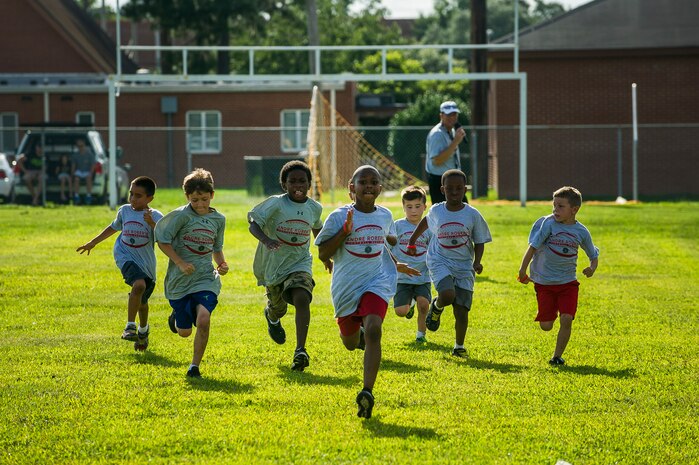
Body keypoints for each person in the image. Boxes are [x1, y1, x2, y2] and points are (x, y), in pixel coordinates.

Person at [315, 165, 419, 419]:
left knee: (374, 329)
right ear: (352, 188)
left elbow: (385, 240)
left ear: (380, 188)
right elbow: (323, 254)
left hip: (376, 281)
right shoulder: (339, 217)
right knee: (350, 344)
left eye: (374, 182)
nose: (369, 186)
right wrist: (344, 232)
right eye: (363, 182)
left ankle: (367, 392)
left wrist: (396, 263)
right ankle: (354, 333)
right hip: (346, 287)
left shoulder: (384, 216)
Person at [248, 160, 327, 372]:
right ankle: (272, 317)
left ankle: (300, 350)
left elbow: (317, 230)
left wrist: (325, 256)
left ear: (310, 184)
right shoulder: (276, 203)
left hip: (300, 262)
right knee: (279, 310)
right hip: (274, 265)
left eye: (302, 181)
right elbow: (253, 224)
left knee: (302, 297)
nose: (298, 185)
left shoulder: (314, 208)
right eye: (292, 181)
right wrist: (266, 240)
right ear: (284, 184)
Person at [407, 169, 491, 358]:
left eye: (459, 188)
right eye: (450, 188)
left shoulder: (472, 214)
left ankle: (458, 346)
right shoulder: (437, 210)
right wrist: (412, 241)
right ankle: (437, 306)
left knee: (461, 310)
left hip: (464, 265)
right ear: (442, 189)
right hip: (439, 259)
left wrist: (477, 262)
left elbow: (479, 240)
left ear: (465, 189)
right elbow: (426, 222)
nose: (454, 192)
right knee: (447, 294)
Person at [155, 168, 228, 378]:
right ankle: (177, 316)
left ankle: (194, 367)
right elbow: (163, 241)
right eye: (195, 200)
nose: (200, 205)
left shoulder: (219, 219)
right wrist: (179, 262)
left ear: (212, 195)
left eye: (204, 199)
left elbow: (216, 247)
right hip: (180, 280)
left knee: (204, 319)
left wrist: (222, 264)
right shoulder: (180, 216)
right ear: (187, 196)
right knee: (184, 332)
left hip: (206, 277)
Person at [76, 176, 163, 351]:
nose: (132, 199)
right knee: (138, 285)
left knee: (143, 302)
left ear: (149, 199)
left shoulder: (156, 216)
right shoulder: (124, 211)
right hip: (125, 256)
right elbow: (113, 227)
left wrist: (152, 224)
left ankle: (143, 331)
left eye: (138, 196)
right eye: (131, 194)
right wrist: (93, 242)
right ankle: (130, 326)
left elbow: (165, 237)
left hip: (146, 263)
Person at [518, 186, 599, 366]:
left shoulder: (582, 232)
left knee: (566, 318)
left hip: (567, 283)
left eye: (561, 206)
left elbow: (593, 255)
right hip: (544, 283)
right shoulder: (548, 224)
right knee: (546, 326)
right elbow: (532, 247)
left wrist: (592, 268)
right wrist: (522, 270)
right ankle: (549, 310)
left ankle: (557, 356)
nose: (555, 210)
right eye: (554, 205)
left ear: (574, 209)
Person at [391, 185, 432, 343]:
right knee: (401, 311)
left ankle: (421, 336)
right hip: (402, 277)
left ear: (424, 207)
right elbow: (388, 249)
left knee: (424, 305)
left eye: (417, 206)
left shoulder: (429, 228)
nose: (413, 211)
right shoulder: (397, 226)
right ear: (403, 207)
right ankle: (410, 303)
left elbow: (434, 250)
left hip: (422, 276)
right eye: (409, 207)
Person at [425, 100, 466, 205]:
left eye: (454, 114)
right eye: (448, 114)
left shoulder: (451, 131)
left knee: (463, 211)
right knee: (442, 216)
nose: (452, 117)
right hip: (439, 180)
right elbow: (437, 161)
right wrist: (456, 141)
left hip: (451, 179)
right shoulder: (437, 134)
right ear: (441, 116)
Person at [72, 137, 96, 205]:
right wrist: (72, 174)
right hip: (79, 171)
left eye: (81, 146)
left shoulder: (89, 154)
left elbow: (92, 165)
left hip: (87, 171)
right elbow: (73, 166)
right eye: (78, 146)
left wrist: (91, 173)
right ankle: (76, 196)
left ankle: (88, 196)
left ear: (84, 145)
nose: (80, 147)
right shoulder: (75, 155)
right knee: (76, 179)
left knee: (88, 178)